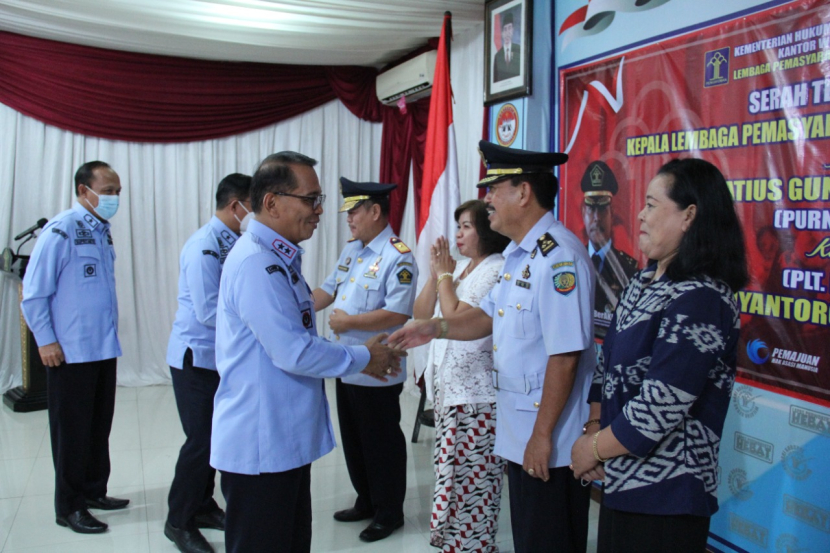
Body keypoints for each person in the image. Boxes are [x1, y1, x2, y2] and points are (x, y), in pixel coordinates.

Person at [390, 141, 596, 553]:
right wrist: (433, 328)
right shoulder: (520, 255)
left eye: (493, 188)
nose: (487, 200)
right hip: (519, 429)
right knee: (529, 537)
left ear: (523, 193)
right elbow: (483, 318)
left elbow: (566, 355)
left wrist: (541, 436)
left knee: (549, 538)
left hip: (547, 438)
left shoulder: (558, 258)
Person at [210, 152, 404, 553]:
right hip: (262, 444)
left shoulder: (279, 259)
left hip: (281, 440)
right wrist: (367, 356)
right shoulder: (256, 265)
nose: (320, 211)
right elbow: (294, 353)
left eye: (320, 200)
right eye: (310, 199)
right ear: (272, 203)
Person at [570, 158, 749, 553]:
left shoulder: (703, 297)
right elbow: (608, 362)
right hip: (622, 481)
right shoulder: (643, 280)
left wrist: (592, 449)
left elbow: (661, 406)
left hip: (668, 497)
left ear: (689, 216)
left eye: (651, 205)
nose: (639, 215)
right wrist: (594, 425)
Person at [21, 161, 129, 534]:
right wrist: (46, 340)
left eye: (118, 191)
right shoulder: (62, 230)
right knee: (71, 433)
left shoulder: (101, 231)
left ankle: (94, 491)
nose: (115, 197)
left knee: (98, 426)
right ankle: (69, 507)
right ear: (84, 191)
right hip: (69, 352)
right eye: (109, 190)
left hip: (101, 347)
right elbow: (33, 294)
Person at [311, 177, 416, 543]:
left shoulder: (397, 255)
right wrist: (293, 305)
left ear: (375, 211)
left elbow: (398, 313)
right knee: (355, 441)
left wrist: (348, 322)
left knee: (381, 443)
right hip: (347, 362)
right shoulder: (353, 250)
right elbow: (327, 289)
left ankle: (389, 512)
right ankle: (366, 500)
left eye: (354, 211)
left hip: (378, 368)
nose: (349, 219)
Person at [412, 199, 510, 553]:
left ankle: (476, 548)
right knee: (452, 488)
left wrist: (444, 276)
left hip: (476, 399)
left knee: (473, 491)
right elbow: (421, 313)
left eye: (467, 226)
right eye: (458, 226)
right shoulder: (464, 270)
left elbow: (453, 320)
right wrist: (437, 273)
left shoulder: (495, 268)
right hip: (450, 397)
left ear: (486, 230)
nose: (459, 233)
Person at [164, 173, 252, 553]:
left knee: (216, 439)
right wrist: (256, 327)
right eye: (253, 204)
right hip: (195, 358)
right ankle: (178, 521)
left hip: (219, 359)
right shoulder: (205, 245)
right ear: (236, 206)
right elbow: (207, 311)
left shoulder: (235, 241)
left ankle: (202, 506)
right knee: (201, 442)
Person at [580, 160, 638, 334]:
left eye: (603, 209)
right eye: (591, 210)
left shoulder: (629, 269)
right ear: (583, 213)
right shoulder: (573, 260)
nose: (596, 218)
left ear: (612, 213)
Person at [493, 12, 521, 82]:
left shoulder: (519, 50)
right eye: (505, 29)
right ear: (502, 33)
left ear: (513, 29)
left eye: (509, 28)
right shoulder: (497, 56)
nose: (507, 32)